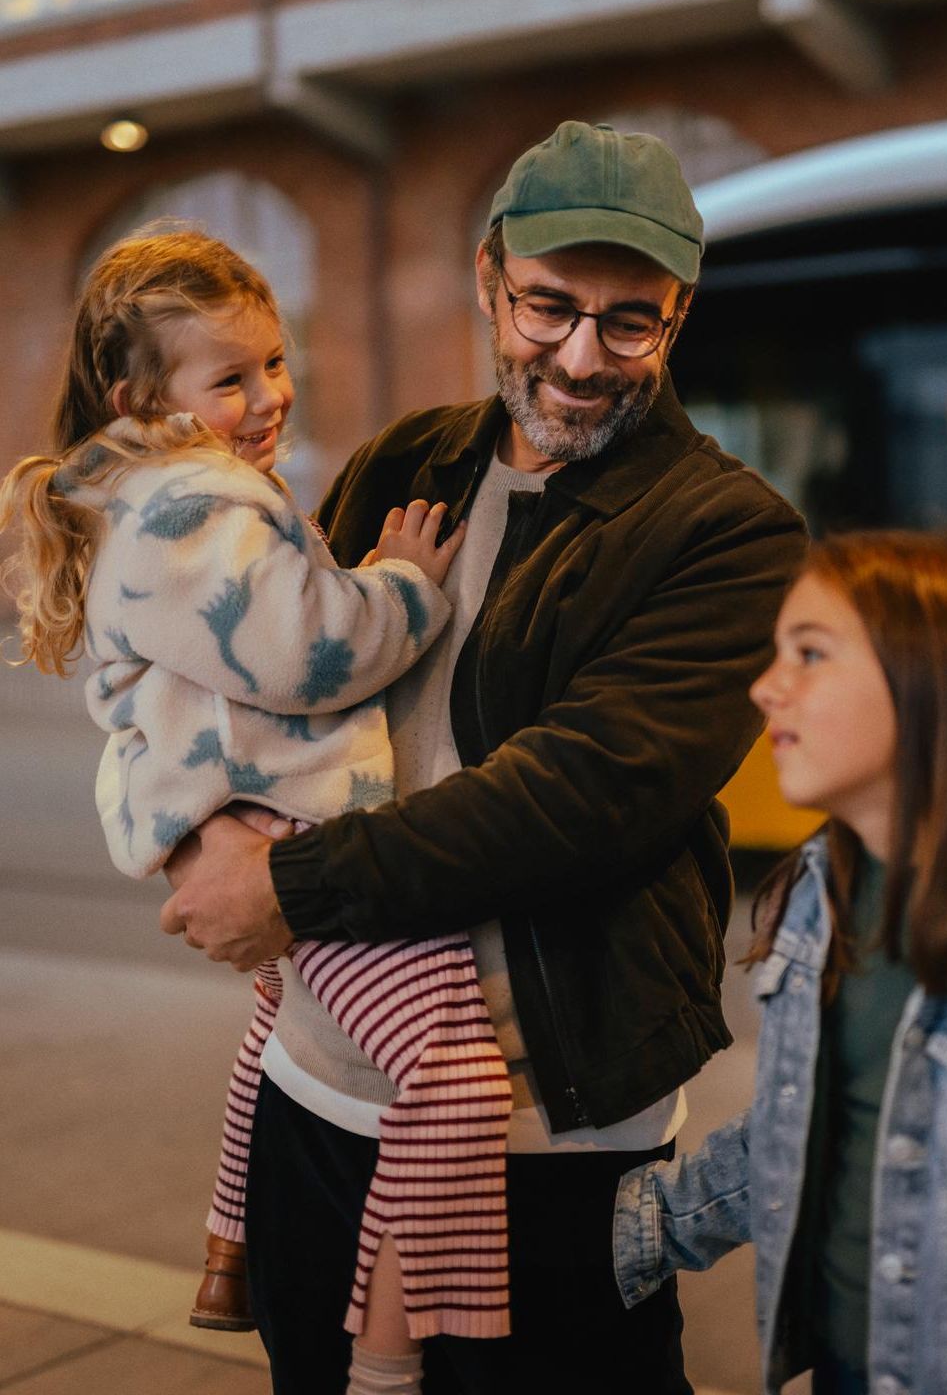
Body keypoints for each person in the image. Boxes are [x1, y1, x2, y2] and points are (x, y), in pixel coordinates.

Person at [160, 120, 808, 1395]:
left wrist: (286, 887)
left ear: (678, 315)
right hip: (317, 1097)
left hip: (544, 1142)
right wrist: (198, 826)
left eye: (630, 322)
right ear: (488, 278)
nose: (582, 357)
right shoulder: (409, 461)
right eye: (548, 307)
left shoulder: (729, 534)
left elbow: (580, 798)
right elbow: (268, 679)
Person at [0, 229, 522, 1395]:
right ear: (144, 402)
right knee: (454, 1080)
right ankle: (387, 1355)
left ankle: (229, 1252)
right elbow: (311, 654)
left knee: (273, 1027)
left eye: (274, 362)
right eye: (229, 379)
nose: (269, 396)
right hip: (302, 832)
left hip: (255, 818)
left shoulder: (144, 499)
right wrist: (404, 583)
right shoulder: (194, 506)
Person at [613, 529, 947, 1395]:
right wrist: (643, 1229)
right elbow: (807, 1122)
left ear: (938, 678)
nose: (767, 687)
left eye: (811, 653)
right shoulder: (824, 890)